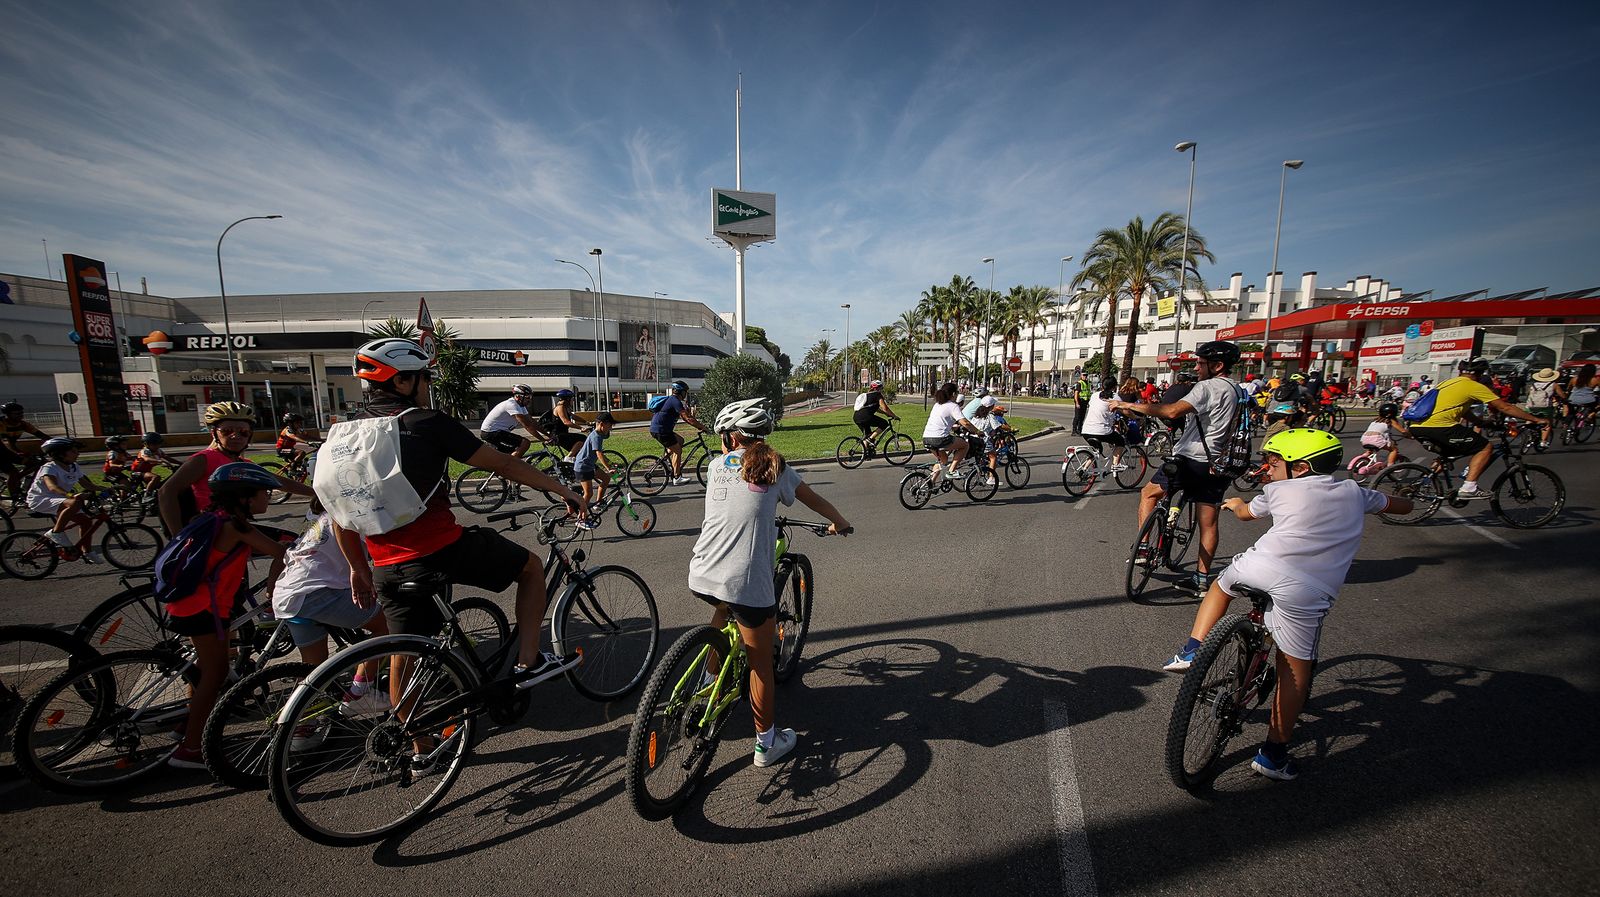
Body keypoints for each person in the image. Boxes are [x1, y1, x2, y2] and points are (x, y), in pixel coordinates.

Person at [334, 338, 588, 776]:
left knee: (405, 653)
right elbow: (504, 465)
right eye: (425, 377)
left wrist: (359, 567)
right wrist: (563, 489)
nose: (429, 385)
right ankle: (530, 662)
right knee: (530, 568)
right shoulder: (425, 422)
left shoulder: (345, 433)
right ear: (403, 379)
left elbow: (340, 509)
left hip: (384, 564)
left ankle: (420, 746)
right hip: (439, 548)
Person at [1159, 429, 1412, 781]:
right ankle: (1273, 755)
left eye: (1274, 461)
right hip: (1307, 589)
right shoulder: (1355, 492)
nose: (1268, 467)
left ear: (1303, 468)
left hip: (1257, 567)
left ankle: (1192, 650)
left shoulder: (1277, 490)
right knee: (1295, 669)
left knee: (1221, 586)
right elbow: (1401, 506)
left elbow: (1248, 513)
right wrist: (1399, 500)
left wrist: (1235, 505)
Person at [688, 398, 851, 769]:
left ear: (731, 438)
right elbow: (812, 500)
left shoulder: (716, 466)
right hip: (743, 582)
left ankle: (708, 679)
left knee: (721, 606)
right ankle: (766, 745)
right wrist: (838, 520)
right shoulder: (775, 468)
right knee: (761, 664)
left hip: (701, 572)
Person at [166, 462, 289, 769]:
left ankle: (189, 724)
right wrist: (274, 587)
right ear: (245, 497)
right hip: (205, 609)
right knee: (216, 674)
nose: (268, 499)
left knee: (209, 669)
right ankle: (191, 749)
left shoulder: (212, 519)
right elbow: (281, 552)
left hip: (186, 603)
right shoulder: (237, 528)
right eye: (265, 493)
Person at [1110, 340, 1243, 595]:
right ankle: (1201, 579)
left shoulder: (1208, 387)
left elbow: (1171, 412)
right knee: (1209, 522)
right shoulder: (1237, 389)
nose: (1196, 367)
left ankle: (1145, 547)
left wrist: (1129, 405)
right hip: (1217, 463)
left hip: (1190, 458)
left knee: (1149, 493)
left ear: (1217, 365)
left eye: (1201, 363)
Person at [158, 401, 315, 537]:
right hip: (210, 532)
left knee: (289, 543)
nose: (236, 436)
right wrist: (178, 536)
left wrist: (319, 494)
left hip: (233, 527)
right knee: (288, 547)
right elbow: (166, 492)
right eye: (227, 431)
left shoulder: (241, 462)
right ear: (214, 432)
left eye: (243, 432)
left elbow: (279, 481)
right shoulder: (203, 459)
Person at [268, 499, 389, 670]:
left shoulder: (319, 518)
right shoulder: (352, 514)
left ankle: (319, 696)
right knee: (389, 625)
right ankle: (360, 690)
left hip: (288, 596)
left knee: (313, 672)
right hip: (317, 592)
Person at [1406, 357, 1545, 499]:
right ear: (1480, 373)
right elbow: (1505, 407)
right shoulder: (1473, 386)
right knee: (1485, 447)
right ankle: (1469, 487)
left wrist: (1481, 422)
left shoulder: (1447, 383)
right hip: (1440, 427)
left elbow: (1462, 410)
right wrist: (1535, 419)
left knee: (1449, 455)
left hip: (1417, 427)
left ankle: (1424, 482)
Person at [26, 437, 104, 562]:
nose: (77, 453)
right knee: (76, 501)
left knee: (86, 522)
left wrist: (109, 488)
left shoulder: (74, 466)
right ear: (60, 454)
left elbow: (87, 485)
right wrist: (71, 496)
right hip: (41, 500)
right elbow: (52, 487)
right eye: (73, 451)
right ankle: (57, 532)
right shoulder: (49, 467)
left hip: (61, 499)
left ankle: (87, 552)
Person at [648, 380, 709, 485]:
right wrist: (702, 427)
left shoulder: (673, 400)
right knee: (677, 450)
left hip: (660, 429)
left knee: (680, 440)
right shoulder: (674, 401)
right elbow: (687, 418)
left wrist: (695, 421)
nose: (686, 395)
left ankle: (663, 460)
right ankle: (677, 477)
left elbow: (686, 417)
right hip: (661, 430)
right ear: (681, 392)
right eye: (685, 392)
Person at [923, 382, 981, 481]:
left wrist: (954, 427)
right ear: (953, 394)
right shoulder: (953, 406)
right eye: (957, 392)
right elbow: (965, 423)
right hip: (940, 439)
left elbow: (942, 422)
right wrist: (977, 431)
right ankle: (952, 471)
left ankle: (930, 484)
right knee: (965, 445)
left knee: (942, 460)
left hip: (926, 438)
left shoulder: (937, 404)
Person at [571, 411, 617, 531]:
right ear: (602, 424)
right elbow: (599, 453)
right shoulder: (596, 435)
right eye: (610, 425)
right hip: (583, 467)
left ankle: (598, 503)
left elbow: (600, 454)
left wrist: (610, 463)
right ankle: (581, 520)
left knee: (606, 478)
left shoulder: (598, 435)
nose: (611, 428)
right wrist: (608, 468)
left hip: (589, 465)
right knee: (588, 494)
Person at [479, 384, 548, 459]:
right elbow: (527, 425)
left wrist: (548, 435)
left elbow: (532, 422)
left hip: (496, 432)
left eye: (530, 397)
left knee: (511, 452)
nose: (529, 400)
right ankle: (511, 467)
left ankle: (504, 467)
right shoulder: (511, 405)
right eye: (527, 397)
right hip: (491, 433)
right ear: (518, 396)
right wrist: (543, 440)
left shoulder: (521, 406)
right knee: (525, 443)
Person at [0, 401, 48, 501]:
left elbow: (42, 436)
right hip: (2, 451)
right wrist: (17, 452)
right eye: (17, 414)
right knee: (13, 473)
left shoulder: (23, 424)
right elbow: (6, 441)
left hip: (9, 451)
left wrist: (65, 444)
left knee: (35, 463)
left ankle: (18, 481)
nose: (20, 416)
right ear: (8, 414)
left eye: (21, 413)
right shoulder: (1, 423)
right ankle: (14, 495)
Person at [1081, 378, 1129, 470]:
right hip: (1102, 431)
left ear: (1102, 385)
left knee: (1096, 451)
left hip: (1086, 430)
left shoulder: (1094, 395)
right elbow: (1125, 411)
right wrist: (1136, 417)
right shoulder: (1115, 397)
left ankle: (1084, 469)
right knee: (1120, 441)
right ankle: (1115, 465)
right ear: (1115, 387)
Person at [1355, 402, 1408, 472]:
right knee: (1394, 450)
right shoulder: (1390, 421)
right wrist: (1410, 436)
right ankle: (1390, 467)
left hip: (1364, 438)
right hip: (1376, 439)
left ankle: (1362, 458)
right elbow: (1403, 431)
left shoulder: (1375, 421)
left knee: (1371, 450)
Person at [852, 379, 900, 452]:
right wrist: (894, 416)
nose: (881, 389)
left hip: (856, 417)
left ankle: (865, 453)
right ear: (877, 388)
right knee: (884, 424)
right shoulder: (877, 395)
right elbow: (885, 408)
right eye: (880, 387)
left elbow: (877, 409)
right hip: (866, 417)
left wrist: (885, 414)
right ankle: (869, 440)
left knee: (868, 435)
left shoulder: (867, 395)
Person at [547, 389, 588, 461]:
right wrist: (581, 428)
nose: (573, 400)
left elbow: (573, 416)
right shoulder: (560, 407)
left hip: (563, 434)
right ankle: (568, 458)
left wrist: (586, 422)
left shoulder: (565, 407)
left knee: (577, 453)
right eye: (572, 398)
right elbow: (566, 422)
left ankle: (571, 465)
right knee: (582, 438)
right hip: (558, 435)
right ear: (567, 398)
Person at [1526, 368, 1562, 446]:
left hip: (1530, 406)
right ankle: (1543, 442)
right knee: (1547, 423)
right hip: (1545, 407)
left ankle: (1528, 433)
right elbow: (1562, 395)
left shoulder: (1532, 384)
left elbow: (1528, 394)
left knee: (1531, 418)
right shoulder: (1554, 385)